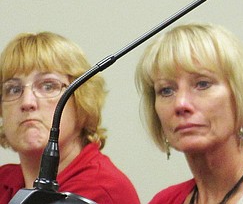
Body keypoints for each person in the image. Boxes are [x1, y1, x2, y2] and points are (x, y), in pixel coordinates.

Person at [135, 22, 243, 204]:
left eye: (202, 84)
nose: (180, 104)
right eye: (166, 90)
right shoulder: (164, 201)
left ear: (239, 95)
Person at [0, 32, 139, 204]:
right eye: (13, 89)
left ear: (81, 100)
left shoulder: (103, 191)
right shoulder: (4, 182)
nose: (27, 102)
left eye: (48, 86)